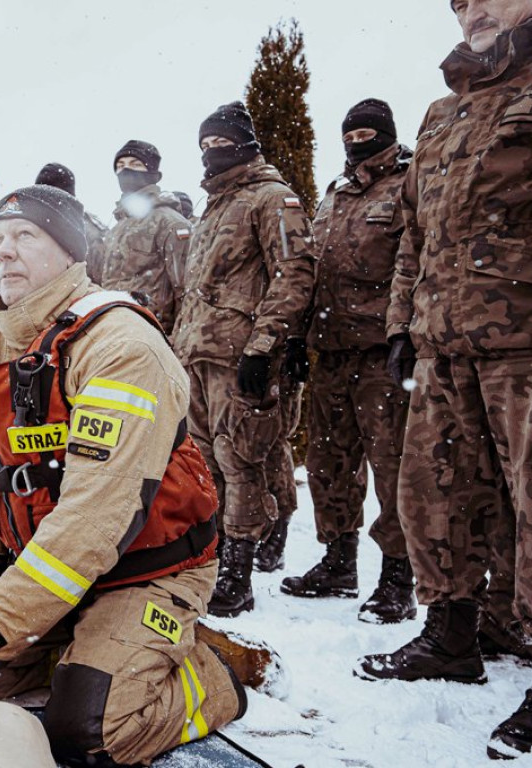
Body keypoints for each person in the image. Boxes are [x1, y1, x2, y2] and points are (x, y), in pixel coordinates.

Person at [0, 184, 263, 767]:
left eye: (25, 237)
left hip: (148, 569)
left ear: (70, 253)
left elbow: (96, 517)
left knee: (91, 732)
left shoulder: (121, 345)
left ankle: (210, 673)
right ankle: (80, 644)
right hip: (56, 567)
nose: (4, 252)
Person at [356, 1, 532, 759]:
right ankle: (451, 633)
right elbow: (413, 236)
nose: (473, 11)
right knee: (432, 492)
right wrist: (401, 323)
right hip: (442, 344)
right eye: (459, 1)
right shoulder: (441, 113)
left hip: (524, 344)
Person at [171, 102, 315, 618]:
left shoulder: (271, 199)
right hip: (196, 355)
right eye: (206, 144)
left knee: (241, 462)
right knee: (204, 464)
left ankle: (240, 572)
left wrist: (265, 345)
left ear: (246, 143)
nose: (213, 152)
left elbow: (294, 273)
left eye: (222, 142)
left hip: (239, 358)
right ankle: (212, 559)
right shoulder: (211, 208)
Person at [280, 99, 417, 625]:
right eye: (351, 132)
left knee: (392, 467)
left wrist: (407, 335)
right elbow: (312, 271)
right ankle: (339, 562)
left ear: (386, 134)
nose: (357, 140)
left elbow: (415, 263)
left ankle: (398, 576)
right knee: (328, 464)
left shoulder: (407, 185)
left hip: (382, 353)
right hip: (330, 351)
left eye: (367, 132)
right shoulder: (333, 196)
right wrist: (295, 339)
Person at [99, 140, 193, 335]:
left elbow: (187, 291)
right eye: (120, 166)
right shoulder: (116, 229)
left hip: (153, 335)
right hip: (114, 332)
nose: (125, 171)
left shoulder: (170, 222)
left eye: (135, 164)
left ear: (153, 174)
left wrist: (177, 341)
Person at [34, 162, 109, 283]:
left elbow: (103, 280)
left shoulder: (89, 233)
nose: (45, 202)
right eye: (40, 196)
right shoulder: (30, 228)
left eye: (51, 195)